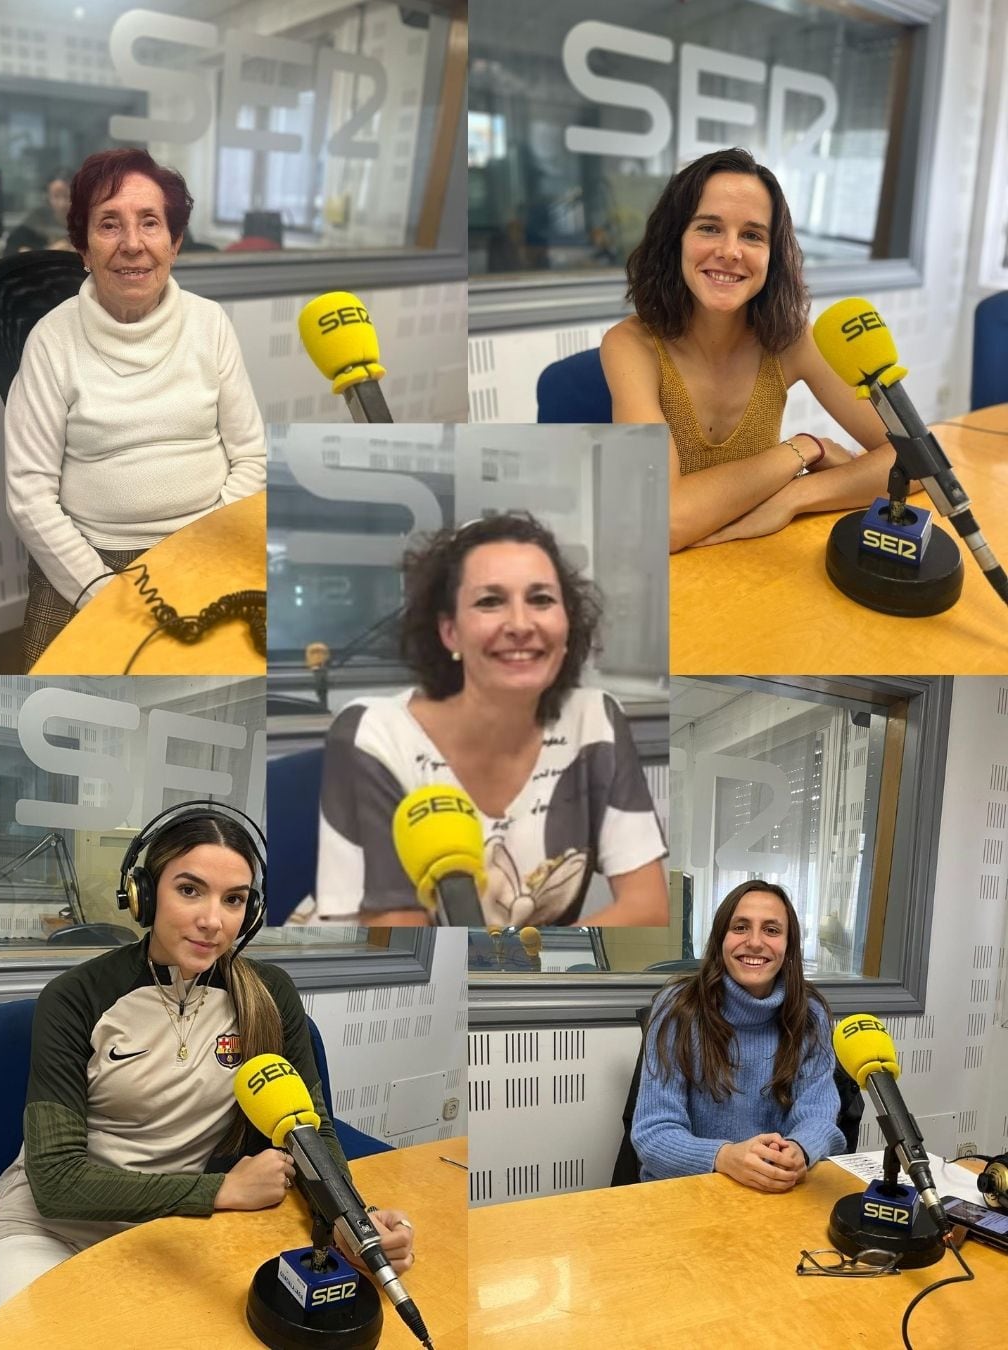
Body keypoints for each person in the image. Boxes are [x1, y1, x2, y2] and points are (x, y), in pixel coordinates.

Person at [0, 805, 415, 1329]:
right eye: (189, 890)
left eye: (233, 900)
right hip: (48, 1230)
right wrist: (218, 1191)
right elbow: (57, 1181)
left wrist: (349, 1221)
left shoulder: (268, 997)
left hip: (172, 1229)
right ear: (144, 893)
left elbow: (311, 1132)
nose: (212, 920)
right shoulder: (76, 998)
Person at [314, 512, 669, 927]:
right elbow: (399, 938)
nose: (520, 624)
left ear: (567, 623)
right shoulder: (374, 734)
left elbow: (647, 910)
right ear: (450, 632)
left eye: (541, 600)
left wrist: (528, 974)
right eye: (490, 601)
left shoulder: (595, 721)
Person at [4, 148, 266, 669]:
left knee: (243, 678)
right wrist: (101, 590)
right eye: (108, 224)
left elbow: (252, 458)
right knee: (80, 698)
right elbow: (29, 494)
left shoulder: (210, 324)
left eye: (150, 222)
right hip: (95, 555)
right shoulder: (50, 341)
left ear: (175, 242)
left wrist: (198, 555)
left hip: (207, 539)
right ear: (82, 248)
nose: (132, 244)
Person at [600, 148, 910, 553]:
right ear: (674, 241)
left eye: (752, 235)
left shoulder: (793, 340)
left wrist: (795, 497)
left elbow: (916, 461)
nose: (731, 251)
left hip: (755, 566)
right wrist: (803, 449)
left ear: (772, 255)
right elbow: (662, 522)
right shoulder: (631, 345)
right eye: (709, 228)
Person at [632, 880, 845, 1188]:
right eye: (741, 927)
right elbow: (653, 1134)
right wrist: (725, 1157)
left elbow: (819, 1116)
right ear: (721, 939)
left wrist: (800, 1149)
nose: (755, 942)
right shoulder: (678, 1007)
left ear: (788, 946)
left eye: (771, 930)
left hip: (773, 1191)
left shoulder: (810, 1014)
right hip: (688, 1190)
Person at [3, 173, 73, 254]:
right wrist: (48, 251)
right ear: (47, 197)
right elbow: (12, 246)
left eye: (67, 196)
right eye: (56, 196)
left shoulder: (86, 221)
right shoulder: (38, 218)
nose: (62, 204)